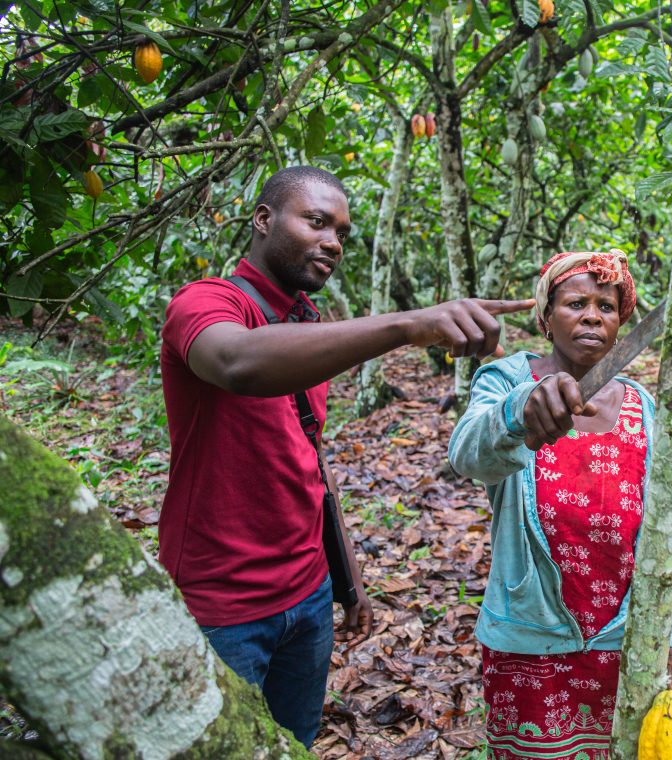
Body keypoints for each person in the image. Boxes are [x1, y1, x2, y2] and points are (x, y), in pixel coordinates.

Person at [159, 166, 533, 747]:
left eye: (341, 232)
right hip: (221, 604)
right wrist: (410, 324)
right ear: (262, 220)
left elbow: (308, 456)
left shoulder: (309, 323)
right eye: (316, 222)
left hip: (306, 594)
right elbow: (236, 362)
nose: (333, 242)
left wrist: (346, 578)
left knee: (297, 741)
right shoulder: (207, 301)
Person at [448, 249, 672, 760]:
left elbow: (662, 524)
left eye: (606, 305)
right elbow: (468, 454)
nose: (592, 316)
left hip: (622, 635)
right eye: (575, 302)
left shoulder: (641, 403)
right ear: (545, 316)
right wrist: (520, 411)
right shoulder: (506, 382)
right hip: (530, 633)